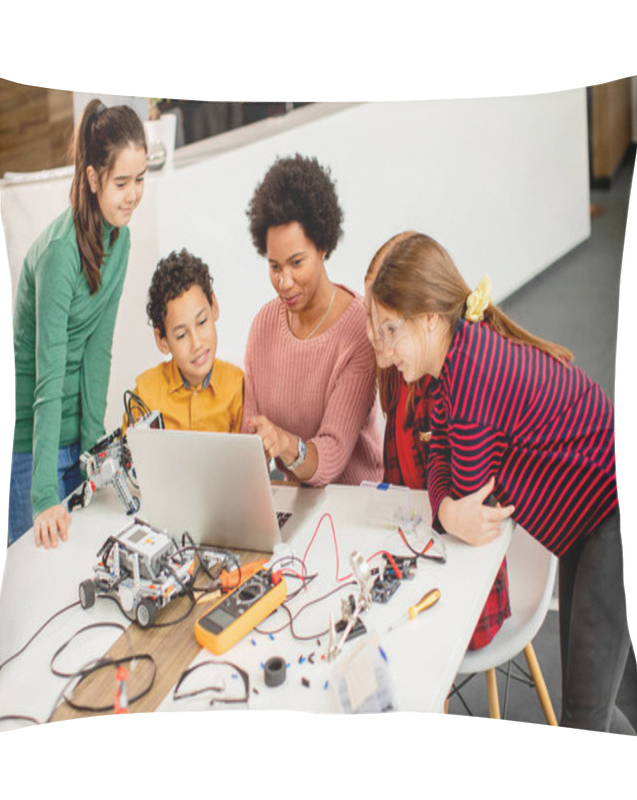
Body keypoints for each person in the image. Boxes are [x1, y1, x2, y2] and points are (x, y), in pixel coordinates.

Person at [369, 231, 637, 734]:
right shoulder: (452, 363)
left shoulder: (470, 380)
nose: (385, 354)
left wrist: (449, 508)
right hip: (590, 518)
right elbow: (442, 465)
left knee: (584, 720)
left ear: (429, 320)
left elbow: (468, 504)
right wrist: (446, 506)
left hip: (616, 515)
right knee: (596, 706)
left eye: (391, 332)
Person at [9, 100, 148, 549]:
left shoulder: (120, 241)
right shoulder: (59, 253)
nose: (133, 194)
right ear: (92, 179)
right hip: (32, 449)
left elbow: (97, 350)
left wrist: (94, 448)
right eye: (121, 182)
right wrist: (45, 493)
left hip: (74, 446)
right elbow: (47, 377)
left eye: (140, 180)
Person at [364, 232, 510, 651]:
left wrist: (441, 510)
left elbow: (465, 503)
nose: (377, 333)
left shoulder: (450, 381)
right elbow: (408, 485)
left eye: (388, 323)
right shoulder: (400, 373)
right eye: (370, 316)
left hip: (459, 579)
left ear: (420, 316)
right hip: (418, 543)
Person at [242, 154, 382, 486]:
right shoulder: (263, 326)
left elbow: (331, 456)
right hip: (296, 501)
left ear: (322, 246)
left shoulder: (358, 332)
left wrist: (285, 444)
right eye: (275, 266)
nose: (284, 282)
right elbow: (249, 434)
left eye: (296, 263)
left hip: (354, 503)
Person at [129, 248, 243, 433]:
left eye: (202, 322)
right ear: (162, 341)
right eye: (182, 335)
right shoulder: (144, 395)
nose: (197, 344)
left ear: (213, 306)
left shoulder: (238, 387)